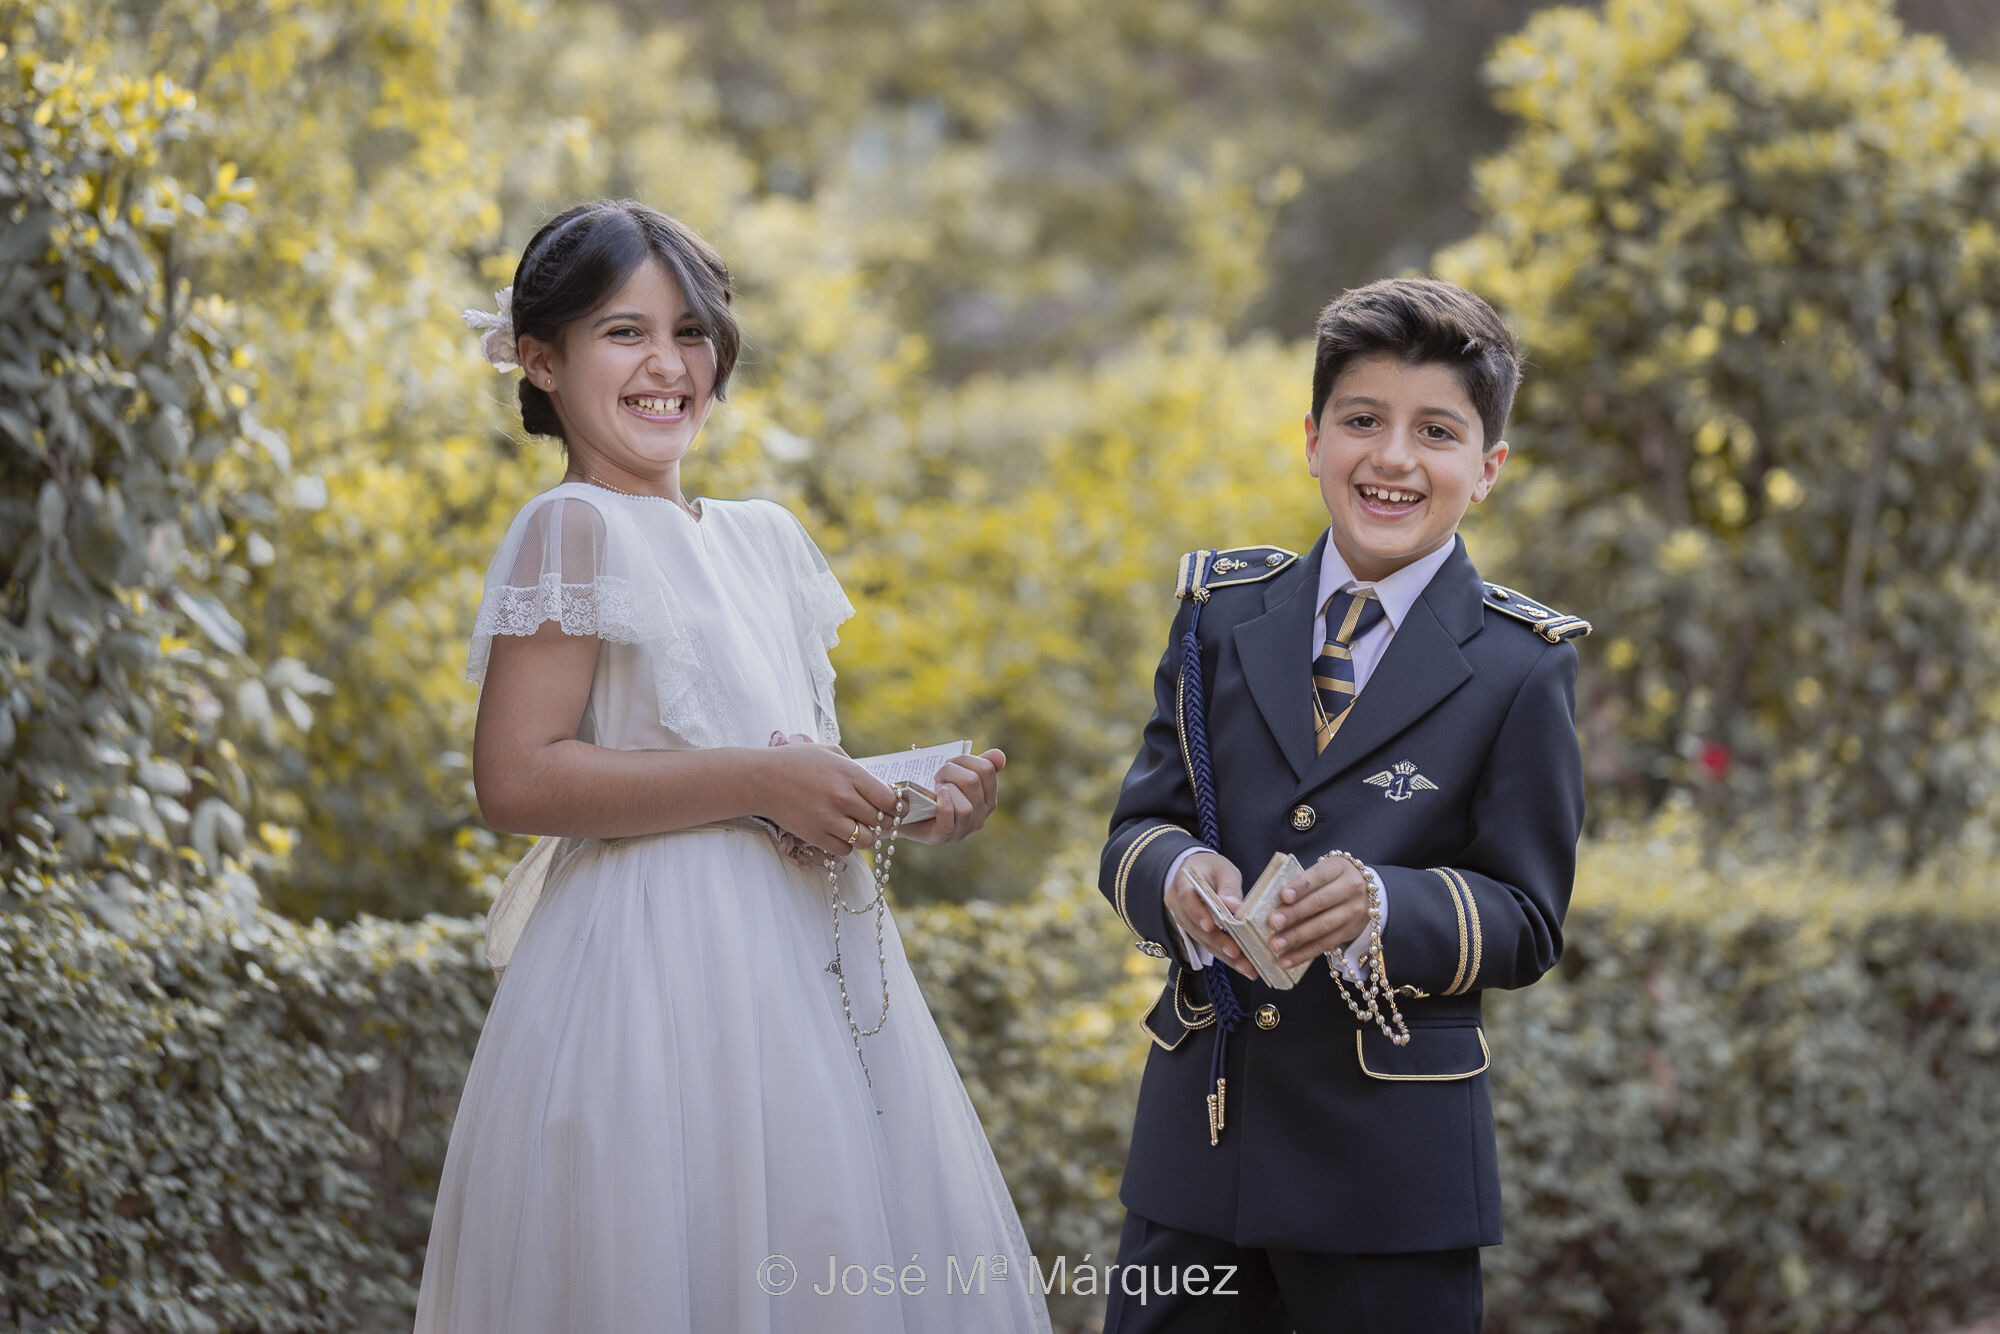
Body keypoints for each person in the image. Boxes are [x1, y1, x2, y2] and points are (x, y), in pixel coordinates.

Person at [414, 199, 1050, 1334]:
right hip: (649, 981)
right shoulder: (573, 528)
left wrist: (899, 802)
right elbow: (517, 776)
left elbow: (775, 758)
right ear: (539, 358)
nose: (667, 364)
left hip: (808, 978)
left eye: (689, 331)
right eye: (623, 333)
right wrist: (761, 785)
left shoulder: (764, 537)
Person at [1097, 278, 1588, 1333]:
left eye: (1436, 431)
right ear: (1311, 437)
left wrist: (1380, 904)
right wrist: (1178, 876)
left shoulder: (1517, 664)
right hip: (1200, 1152)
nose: (1392, 458)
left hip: (1390, 1176)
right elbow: (1137, 828)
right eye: (1361, 420)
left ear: (1486, 468)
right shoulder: (1220, 617)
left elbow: (1526, 913)